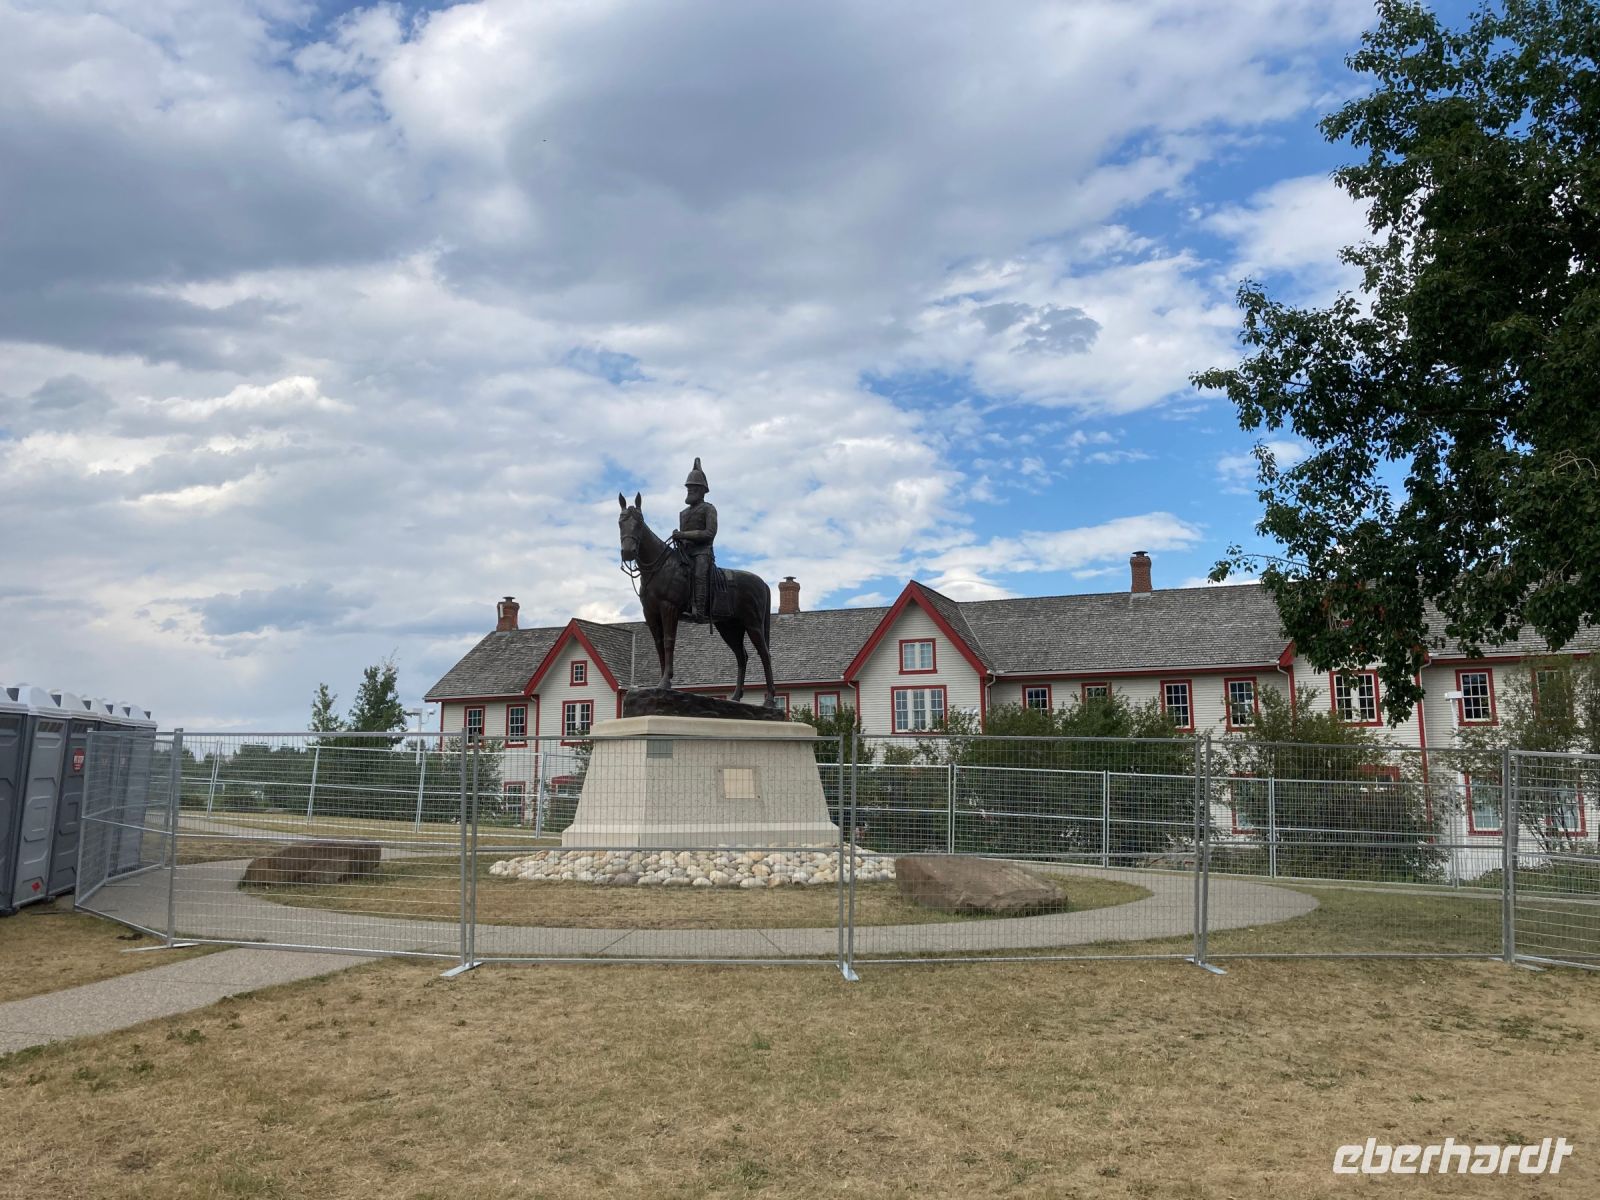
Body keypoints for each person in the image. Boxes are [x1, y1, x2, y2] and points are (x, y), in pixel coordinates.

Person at [673, 458, 717, 622]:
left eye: (693, 487)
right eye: (688, 487)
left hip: (702, 552)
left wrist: (683, 535)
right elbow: (683, 537)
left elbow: (709, 533)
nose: (690, 489)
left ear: (702, 490)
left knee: (699, 574)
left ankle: (699, 610)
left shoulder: (709, 509)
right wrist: (678, 539)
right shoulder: (683, 513)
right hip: (685, 553)